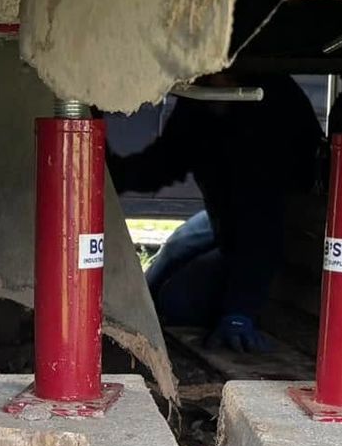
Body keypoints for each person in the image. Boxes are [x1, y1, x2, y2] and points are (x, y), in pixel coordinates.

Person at [111, 73, 323, 352]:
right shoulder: (203, 99)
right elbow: (164, 163)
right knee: (172, 253)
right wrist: (109, 171)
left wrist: (239, 312)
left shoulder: (270, 114)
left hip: (276, 232)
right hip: (224, 220)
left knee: (177, 301)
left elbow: (261, 226)